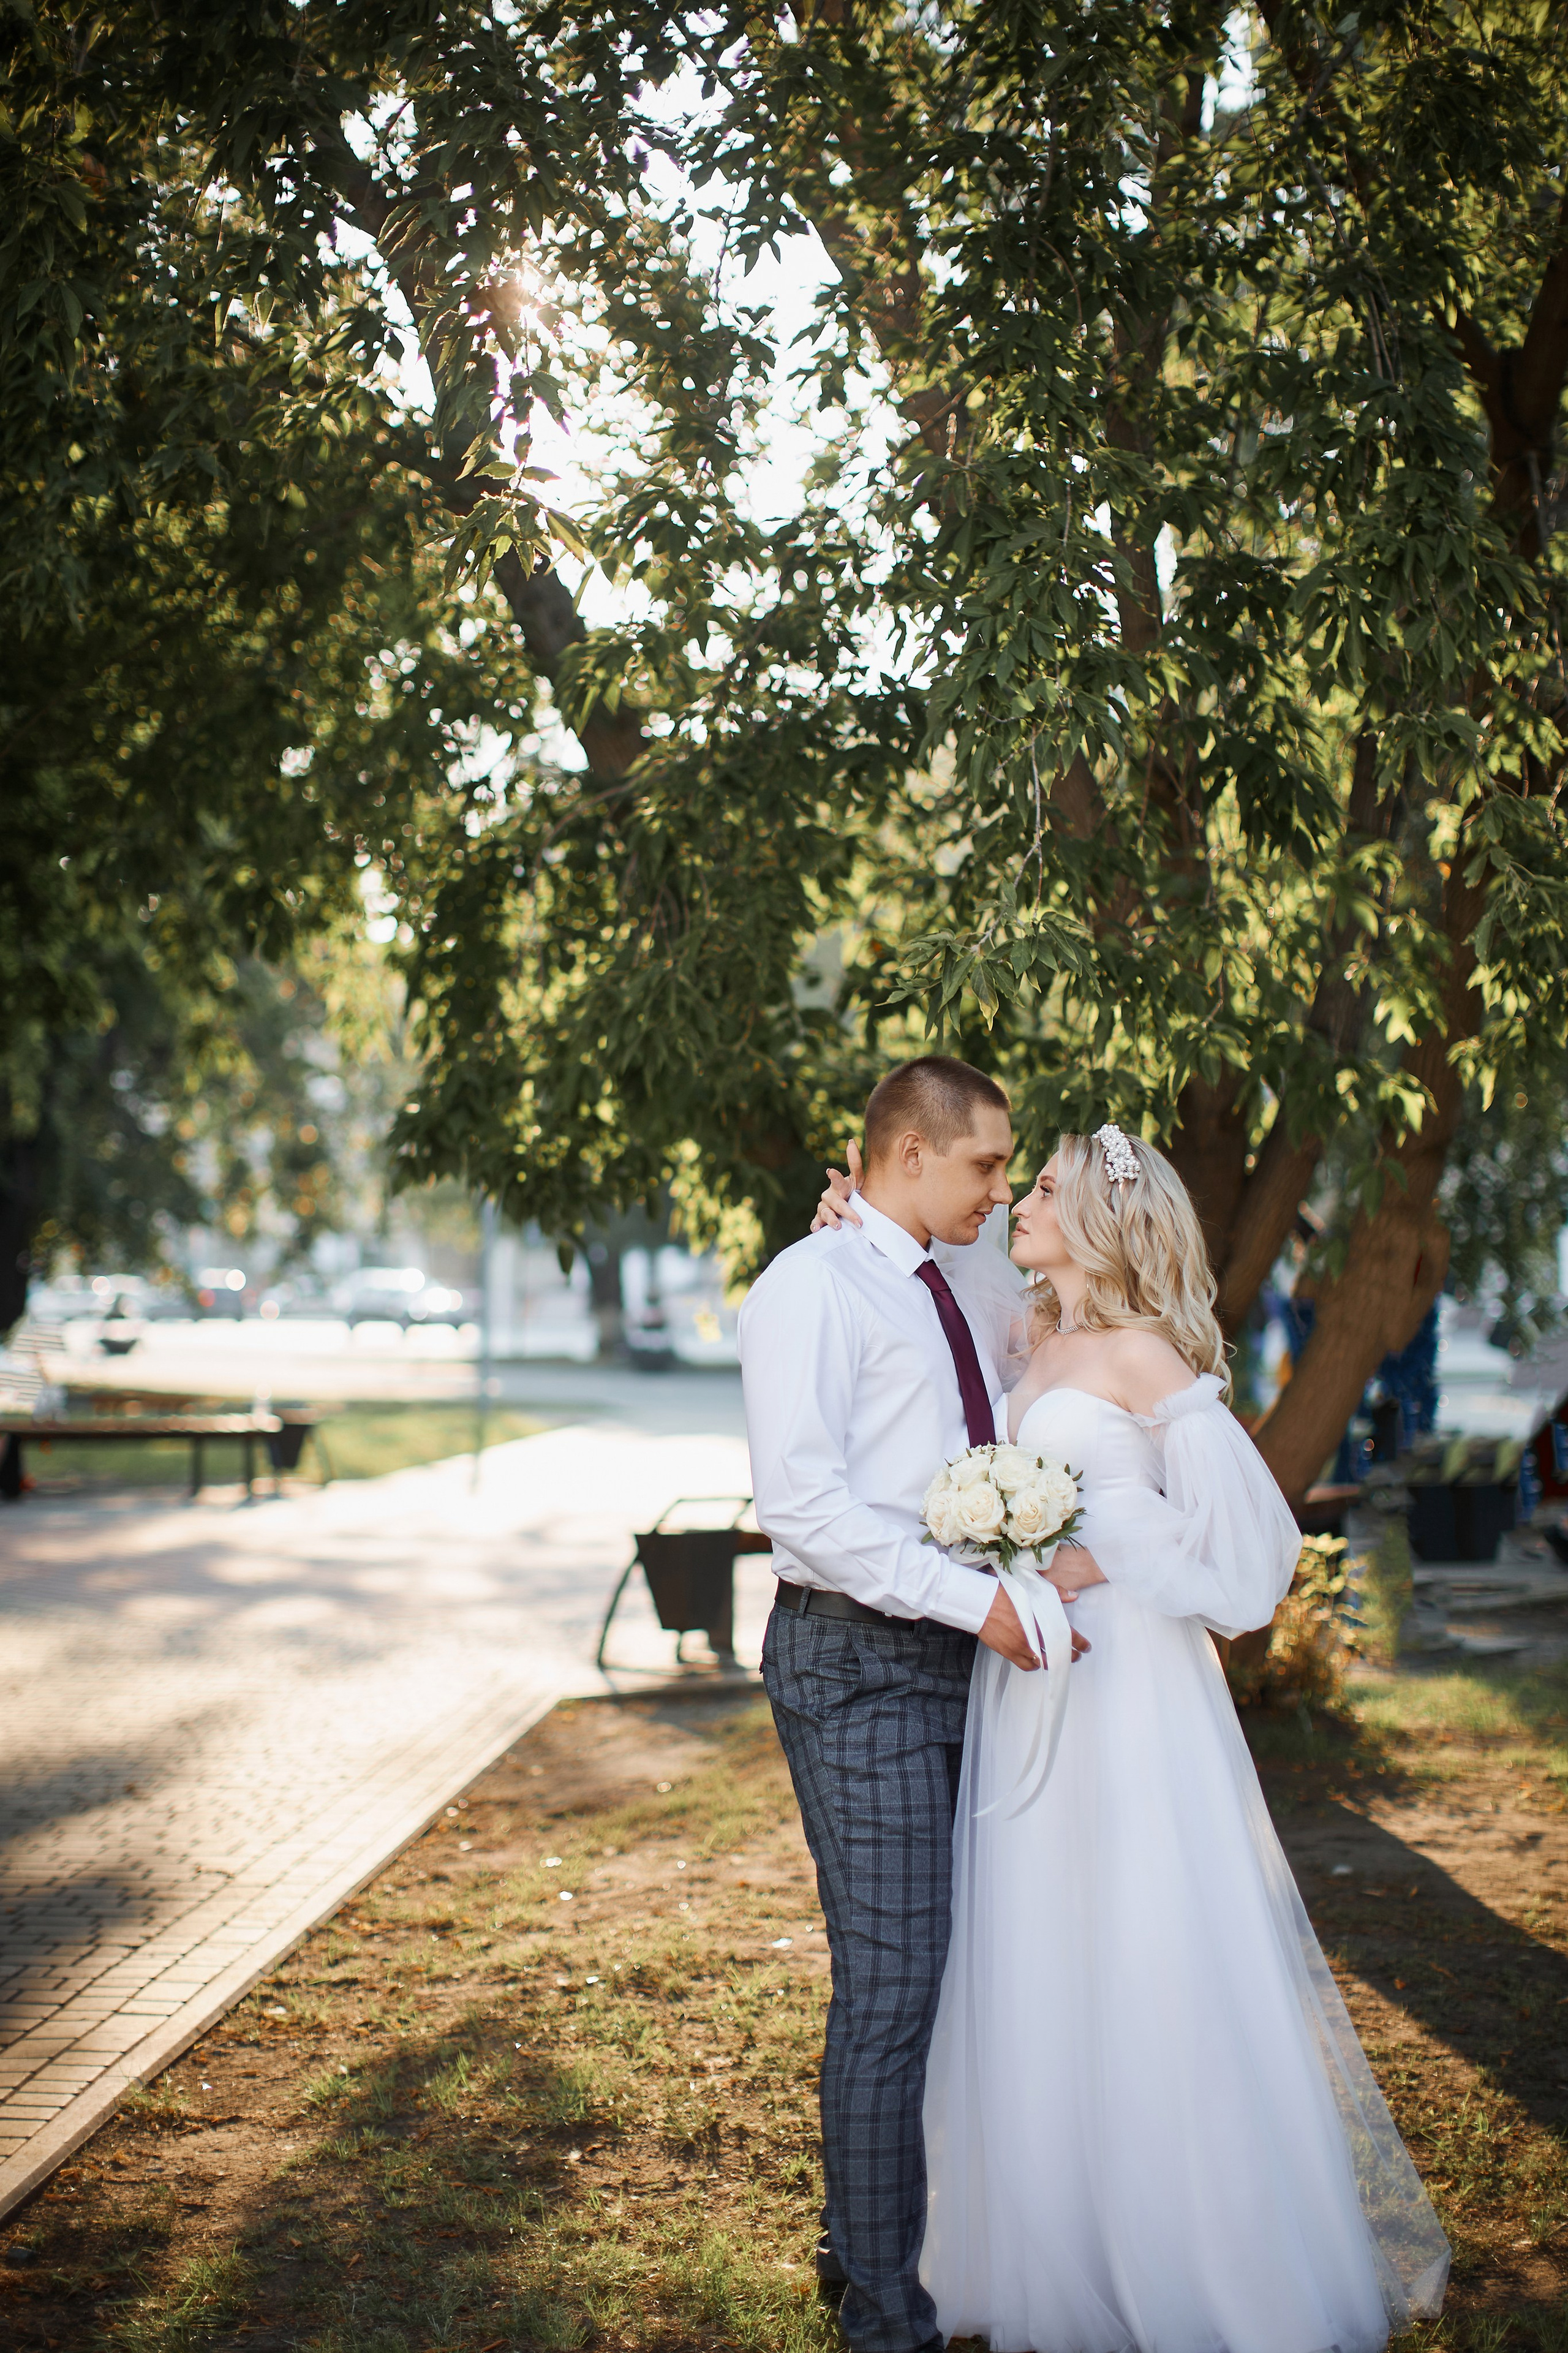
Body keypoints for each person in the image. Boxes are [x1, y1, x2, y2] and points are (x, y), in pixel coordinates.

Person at [813, 1124, 1450, 2353]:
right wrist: (853, 1215)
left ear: (1104, 1219)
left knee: (1141, 1927)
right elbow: (921, 1269)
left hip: (1125, 1681)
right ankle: (1048, 2236)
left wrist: (1090, 1556)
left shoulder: (1145, 1355)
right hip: (1027, 1674)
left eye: (1045, 1188)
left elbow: (1247, 1545)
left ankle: (1190, 2249)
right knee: (1037, 1930)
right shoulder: (1027, 1332)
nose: (1020, 1200)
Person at [737, 1055, 1089, 2353]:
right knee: (892, 1985)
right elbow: (805, 1512)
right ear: (906, 1155)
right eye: (986, 1164)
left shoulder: (979, 1279)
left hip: (970, 1661)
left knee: (954, 1975)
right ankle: (885, 2316)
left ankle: (859, 2244)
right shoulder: (809, 1286)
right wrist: (974, 1605)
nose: (1000, 1189)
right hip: (857, 1661)